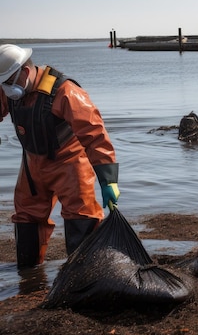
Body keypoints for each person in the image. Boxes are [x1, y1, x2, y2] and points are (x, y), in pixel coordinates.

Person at [0, 44, 120, 269]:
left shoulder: (65, 92)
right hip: (32, 163)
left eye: (6, 84)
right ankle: (29, 276)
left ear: (24, 73)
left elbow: (94, 134)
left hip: (69, 161)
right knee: (26, 217)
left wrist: (108, 178)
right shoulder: (11, 89)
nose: (5, 90)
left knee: (81, 214)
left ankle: (82, 274)